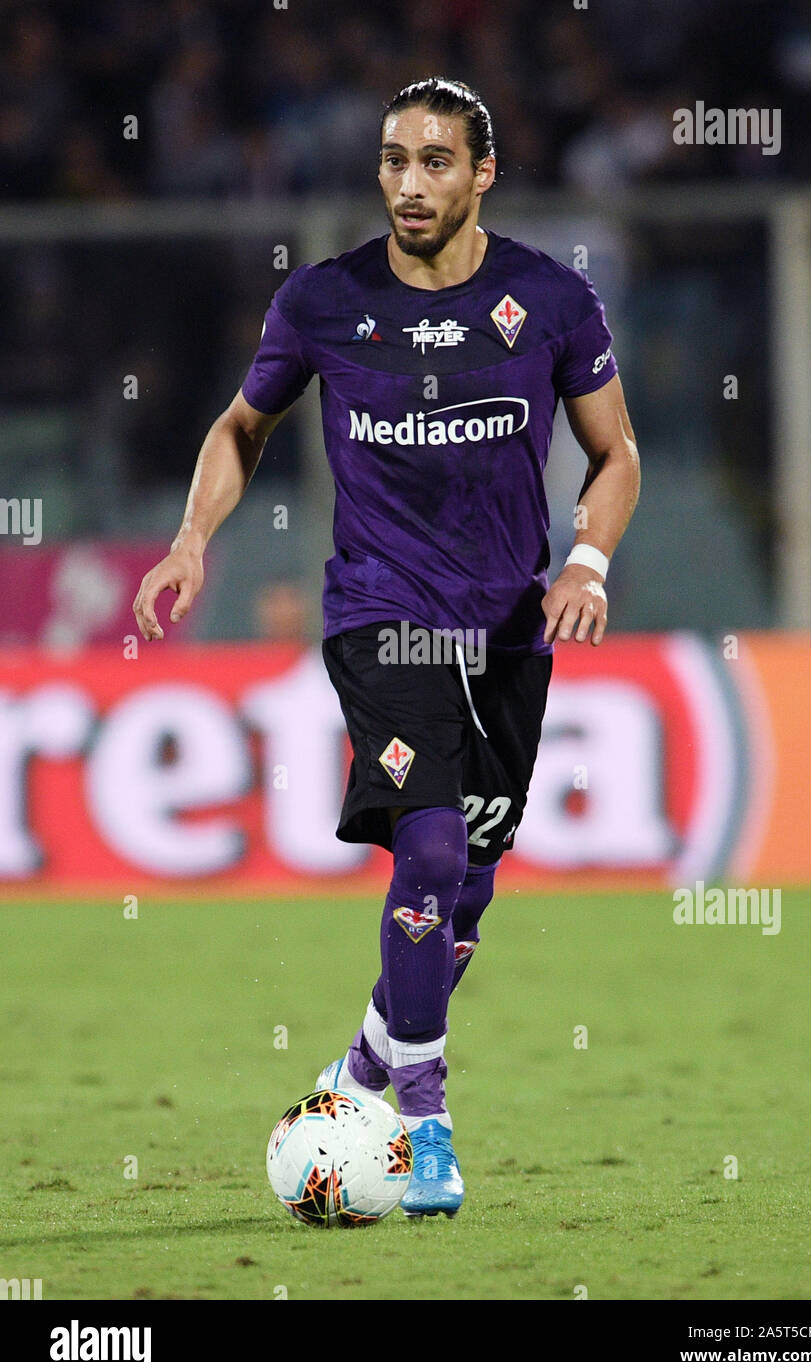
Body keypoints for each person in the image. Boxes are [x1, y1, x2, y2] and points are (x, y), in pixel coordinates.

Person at [133, 76, 640, 1219]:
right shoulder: (323, 302)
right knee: (427, 855)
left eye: (435, 162)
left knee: (469, 895)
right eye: (392, 160)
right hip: (381, 617)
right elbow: (240, 424)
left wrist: (586, 564)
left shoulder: (549, 301)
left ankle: (362, 1065)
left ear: (481, 175)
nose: (409, 183)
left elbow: (615, 456)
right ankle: (423, 1119)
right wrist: (190, 538)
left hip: (508, 627)